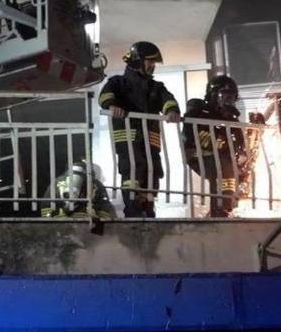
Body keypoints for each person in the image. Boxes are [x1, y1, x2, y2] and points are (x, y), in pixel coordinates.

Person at [98, 41, 180, 218]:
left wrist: (172, 111)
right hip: (128, 135)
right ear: (137, 61)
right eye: (149, 61)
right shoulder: (118, 82)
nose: (152, 66)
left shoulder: (156, 87)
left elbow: (168, 100)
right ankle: (133, 208)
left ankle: (148, 207)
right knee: (134, 167)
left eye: (154, 63)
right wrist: (112, 106)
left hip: (150, 137)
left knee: (153, 170)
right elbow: (105, 96)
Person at [183, 75, 246, 217]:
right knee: (221, 167)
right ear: (213, 95)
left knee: (230, 171)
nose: (227, 100)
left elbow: (239, 142)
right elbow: (193, 135)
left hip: (221, 157)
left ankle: (226, 207)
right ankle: (219, 208)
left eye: (231, 97)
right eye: (224, 96)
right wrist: (220, 144)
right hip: (200, 155)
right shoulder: (201, 112)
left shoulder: (231, 117)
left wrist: (241, 154)